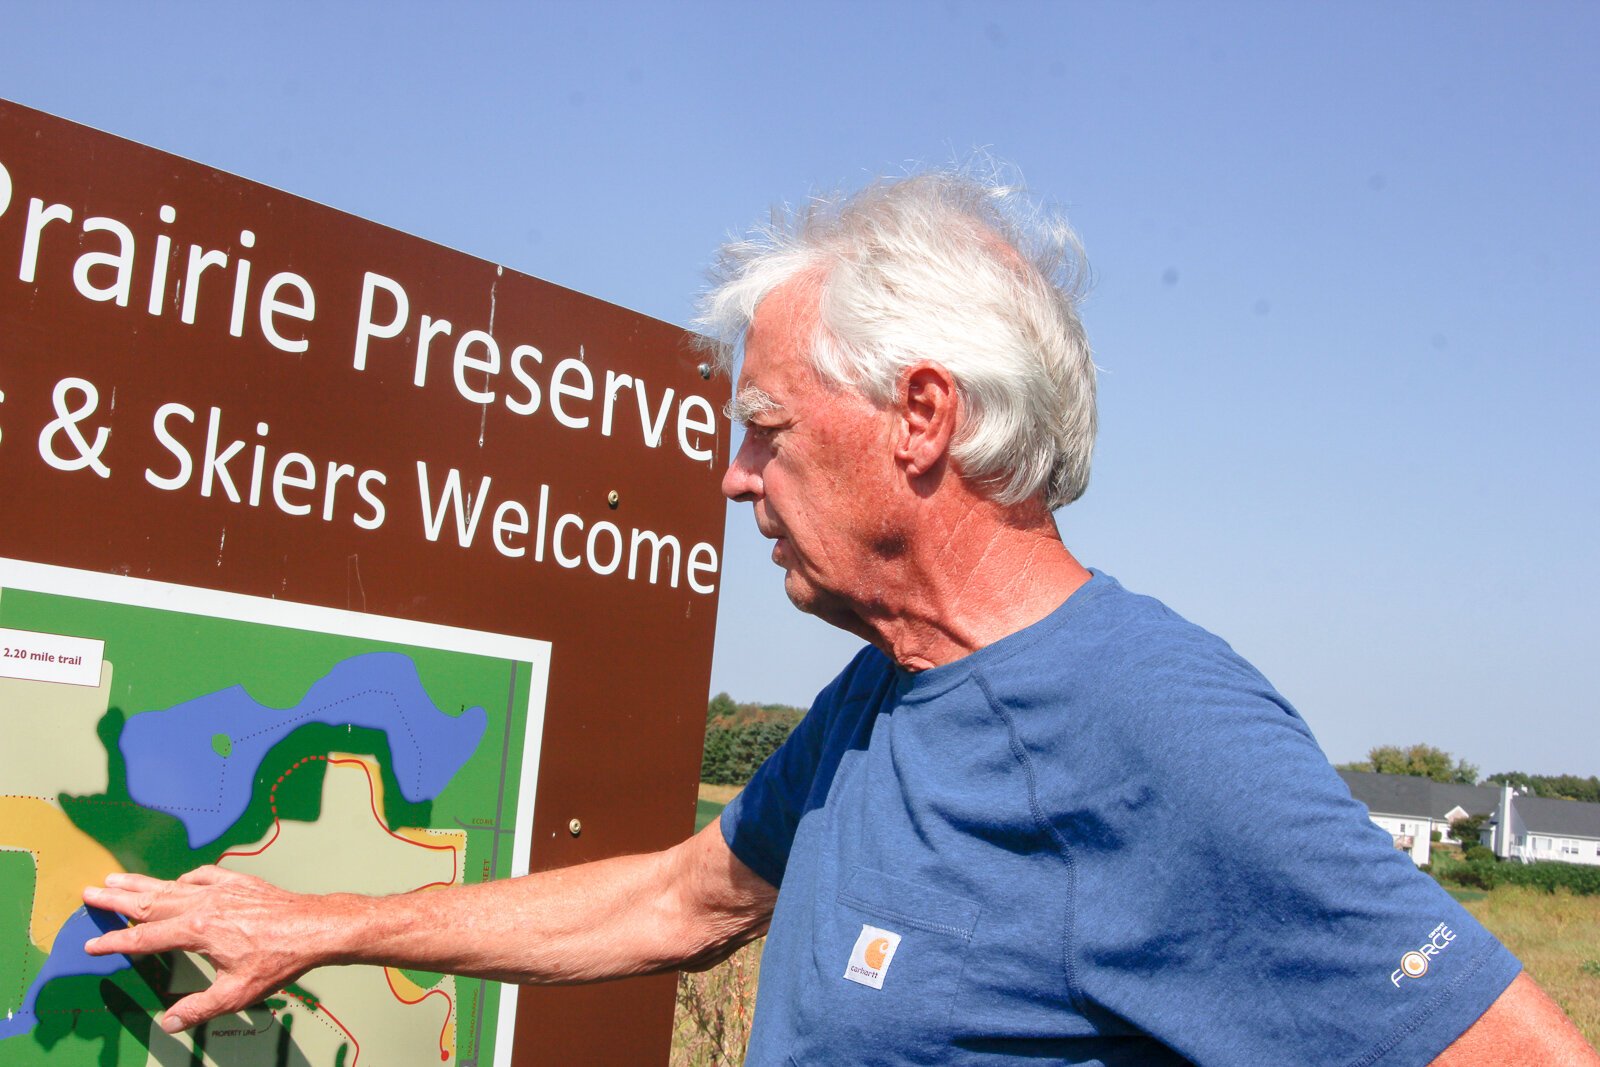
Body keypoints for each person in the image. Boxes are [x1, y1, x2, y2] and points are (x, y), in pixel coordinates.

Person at [86, 170, 1596, 1065]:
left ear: (921, 419)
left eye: (764, 428)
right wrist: (329, 924)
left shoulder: (1150, 719)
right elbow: (682, 903)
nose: (735, 479)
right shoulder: (888, 696)